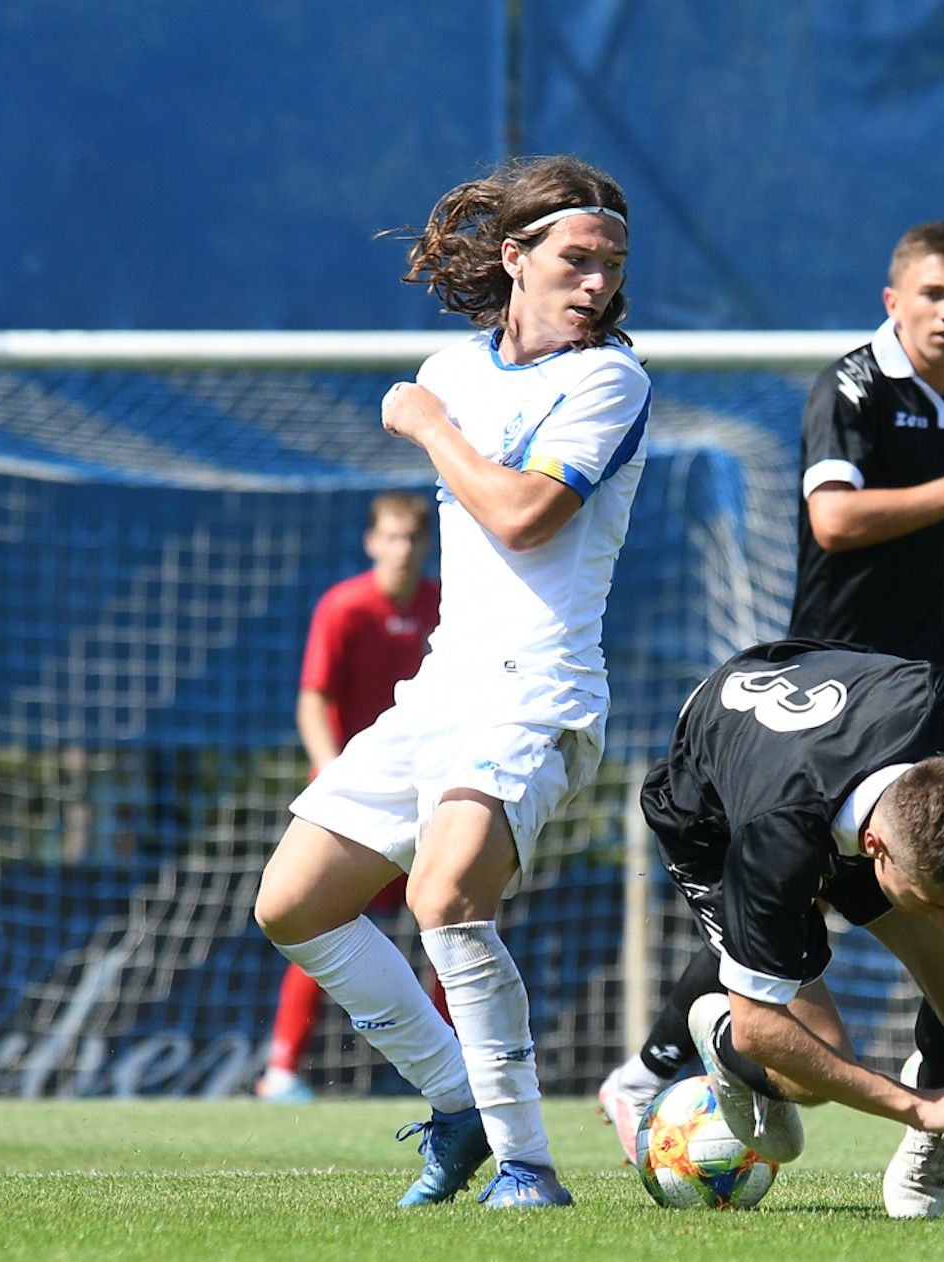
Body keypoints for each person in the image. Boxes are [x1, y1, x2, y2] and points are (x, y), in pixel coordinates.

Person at [254, 154, 650, 1208]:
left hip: (538, 688)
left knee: (441, 895)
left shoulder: (608, 378)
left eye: (610, 264)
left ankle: (527, 1163)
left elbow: (524, 514)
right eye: (576, 260)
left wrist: (426, 425)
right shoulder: (453, 367)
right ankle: (460, 1100)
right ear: (514, 258)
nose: (596, 284)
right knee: (291, 903)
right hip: (442, 687)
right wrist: (437, 402)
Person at [598, 219, 944, 1161]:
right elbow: (834, 520)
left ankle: (941, 1097)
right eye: (935, 293)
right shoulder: (851, 386)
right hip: (837, 675)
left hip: (922, 671)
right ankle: (673, 1056)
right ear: (893, 300)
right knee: (789, 917)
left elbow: (921, 519)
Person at [641, 637, 944, 1219]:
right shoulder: (775, 846)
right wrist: (912, 1106)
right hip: (715, 818)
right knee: (808, 1071)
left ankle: (941, 1118)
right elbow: (763, 1031)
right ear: (876, 848)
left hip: (850, 757)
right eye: (935, 901)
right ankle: (716, 1027)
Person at [255, 489, 446, 1103]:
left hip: (424, 798)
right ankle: (282, 1071)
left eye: (413, 537)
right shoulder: (344, 607)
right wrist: (332, 772)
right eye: (391, 536)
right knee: (313, 916)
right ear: (371, 542)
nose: (402, 548)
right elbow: (314, 699)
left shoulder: (446, 606)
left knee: (451, 916)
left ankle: (458, 1062)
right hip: (357, 799)